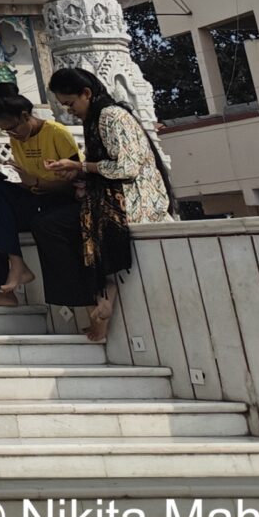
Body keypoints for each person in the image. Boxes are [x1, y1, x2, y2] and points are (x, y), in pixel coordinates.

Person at [37, 66, 174, 343]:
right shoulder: (96, 117)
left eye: (70, 103)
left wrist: (81, 166)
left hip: (135, 198)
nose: (69, 111)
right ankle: (97, 300)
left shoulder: (111, 116)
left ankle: (97, 301)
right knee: (52, 219)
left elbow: (127, 167)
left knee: (53, 225)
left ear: (86, 93)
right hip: (110, 194)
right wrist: (77, 172)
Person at [0, 84, 78, 306]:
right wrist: (3, 177)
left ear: (25, 116)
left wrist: (37, 182)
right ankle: (14, 268)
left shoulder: (57, 133)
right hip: (35, 198)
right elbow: (27, 181)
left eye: (13, 128)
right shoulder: (17, 139)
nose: (13, 135)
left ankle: (11, 277)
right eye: (6, 132)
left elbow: (76, 183)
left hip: (59, 202)